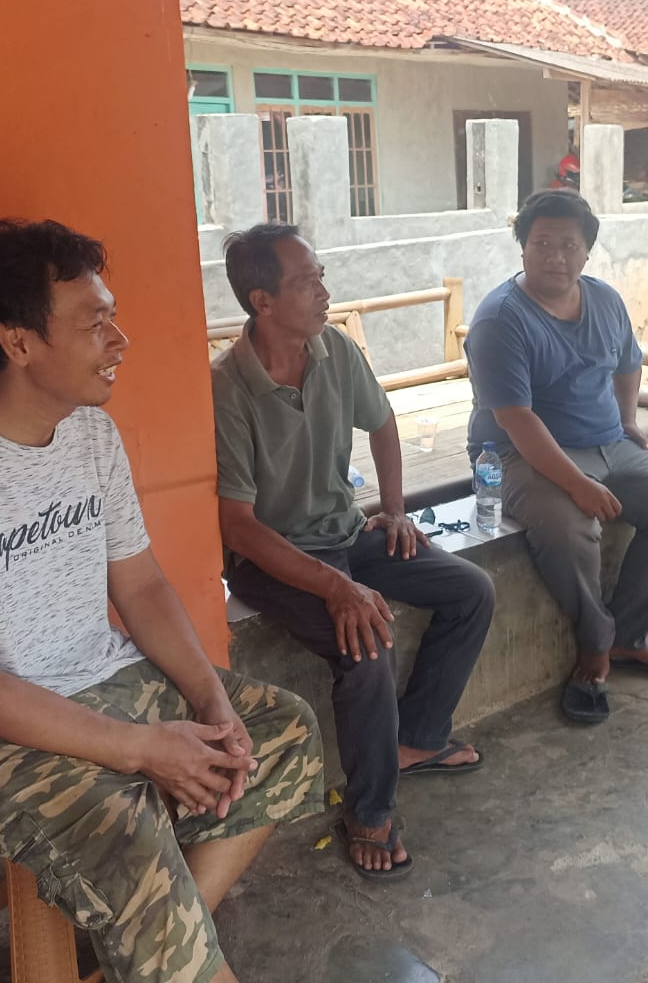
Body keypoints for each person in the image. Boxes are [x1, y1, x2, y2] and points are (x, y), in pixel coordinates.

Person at [0, 220, 323, 983]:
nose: (119, 339)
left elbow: (140, 584)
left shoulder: (90, 434)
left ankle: (165, 951)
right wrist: (140, 748)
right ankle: (174, 957)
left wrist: (211, 698)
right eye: (94, 322)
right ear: (18, 341)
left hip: (98, 677)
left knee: (279, 730)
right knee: (126, 823)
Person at [213, 224, 495, 882]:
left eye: (321, 276)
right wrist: (336, 588)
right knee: (367, 647)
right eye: (306, 281)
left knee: (470, 590)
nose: (324, 292)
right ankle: (368, 811)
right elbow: (239, 527)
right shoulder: (227, 387)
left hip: (347, 533)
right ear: (262, 300)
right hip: (273, 559)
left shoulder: (334, 348)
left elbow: (384, 422)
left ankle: (417, 738)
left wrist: (394, 510)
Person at [464, 190, 648, 725]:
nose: (554, 256)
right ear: (523, 248)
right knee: (569, 526)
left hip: (608, 440)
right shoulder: (500, 321)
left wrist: (627, 421)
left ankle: (629, 637)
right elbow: (516, 420)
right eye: (541, 243)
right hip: (517, 453)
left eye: (568, 245)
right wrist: (577, 484)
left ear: (587, 251)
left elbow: (627, 364)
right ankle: (595, 646)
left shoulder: (604, 300)